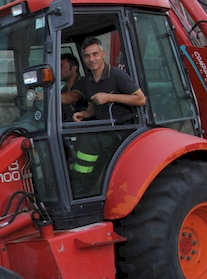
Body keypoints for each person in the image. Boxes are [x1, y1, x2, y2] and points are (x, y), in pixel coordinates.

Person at [70, 37, 146, 194]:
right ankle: (80, 182)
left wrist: (110, 97)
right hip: (103, 127)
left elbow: (140, 99)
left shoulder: (117, 75)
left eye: (95, 54)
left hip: (121, 129)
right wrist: (83, 114)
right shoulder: (89, 80)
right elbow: (93, 107)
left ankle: (80, 188)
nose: (91, 59)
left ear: (103, 54)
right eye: (87, 56)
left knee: (88, 140)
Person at [59, 53, 88, 122]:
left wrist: (46, 96)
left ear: (73, 68)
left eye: (61, 66)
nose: (58, 70)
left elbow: (73, 97)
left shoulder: (83, 82)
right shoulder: (63, 90)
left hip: (86, 128)